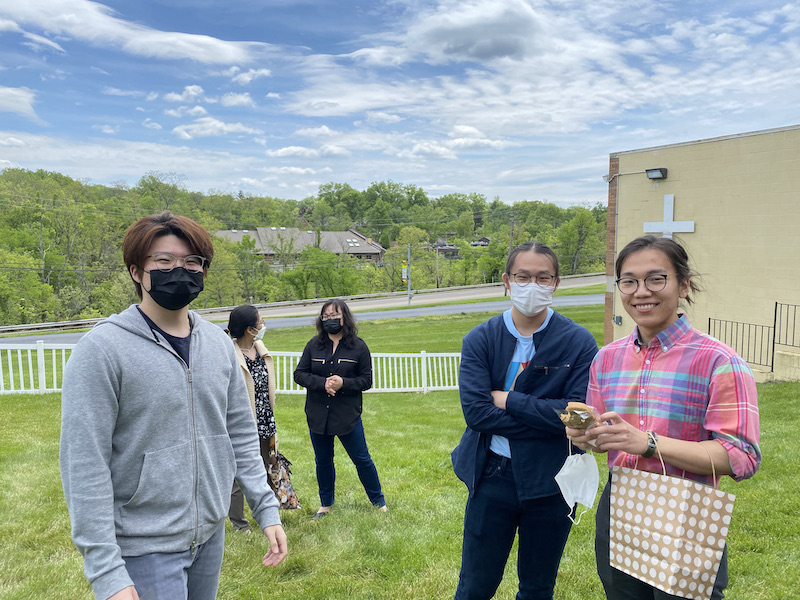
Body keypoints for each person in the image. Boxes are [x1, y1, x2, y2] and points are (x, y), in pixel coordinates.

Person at [60, 212, 287, 600]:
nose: (179, 271)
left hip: (209, 536)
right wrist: (106, 571)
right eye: (163, 261)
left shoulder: (218, 344)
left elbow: (240, 432)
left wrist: (265, 508)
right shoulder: (102, 350)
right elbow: (84, 464)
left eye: (192, 262)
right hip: (143, 547)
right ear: (136, 271)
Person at [566, 235, 761, 600]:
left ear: (683, 285)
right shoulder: (607, 358)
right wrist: (588, 436)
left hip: (688, 504)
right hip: (621, 498)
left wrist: (648, 443)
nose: (641, 292)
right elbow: (603, 435)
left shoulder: (719, 361)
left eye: (656, 279)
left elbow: (742, 457)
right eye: (629, 281)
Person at [451, 241, 599, 600]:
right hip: (492, 475)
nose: (533, 285)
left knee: (537, 587)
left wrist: (508, 400)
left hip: (553, 479)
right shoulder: (481, 340)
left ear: (556, 283)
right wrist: (551, 420)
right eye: (523, 277)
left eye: (543, 278)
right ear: (507, 281)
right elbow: (477, 414)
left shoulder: (578, 342)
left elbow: (579, 416)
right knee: (475, 586)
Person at [293, 299, 386, 519]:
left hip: (347, 415)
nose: (329, 320)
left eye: (334, 315)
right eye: (325, 316)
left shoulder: (359, 347)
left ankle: (379, 502)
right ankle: (325, 504)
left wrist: (343, 383)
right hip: (318, 414)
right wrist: (322, 383)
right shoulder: (313, 345)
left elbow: (366, 380)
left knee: (362, 459)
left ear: (345, 317)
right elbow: (300, 374)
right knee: (323, 461)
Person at [226, 305, 280, 532]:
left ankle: (269, 517)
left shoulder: (261, 350)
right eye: (260, 321)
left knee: (266, 470)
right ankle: (239, 524)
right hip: (241, 424)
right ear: (250, 329)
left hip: (265, 420)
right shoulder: (228, 354)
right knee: (238, 477)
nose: (263, 324)